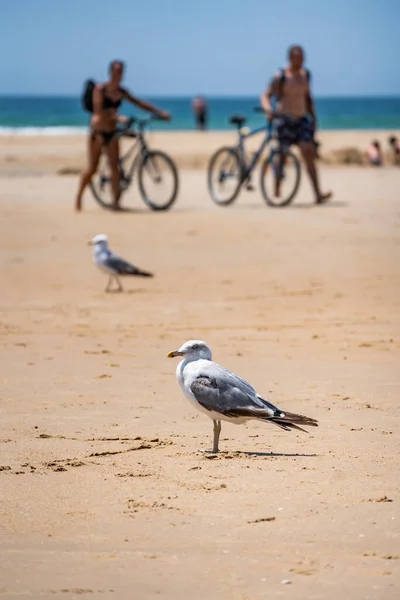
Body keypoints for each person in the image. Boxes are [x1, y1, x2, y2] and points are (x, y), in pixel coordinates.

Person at [75, 60, 170, 211]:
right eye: (116, 71)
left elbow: (139, 103)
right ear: (110, 72)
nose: (119, 74)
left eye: (121, 72)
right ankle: (79, 198)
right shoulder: (100, 89)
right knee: (92, 168)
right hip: (98, 132)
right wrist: (119, 118)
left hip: (112, 132)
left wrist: (159, 112)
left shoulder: (121, 92)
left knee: (115, 167)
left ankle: (116, 203)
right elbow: (99, 111)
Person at [260, 45, 331, 204]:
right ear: (290, 58)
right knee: (282, 156)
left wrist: (313, 117)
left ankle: (317, 194)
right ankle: (277, 191)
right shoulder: (281, 76)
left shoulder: (306, 75)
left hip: (301, 120)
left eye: (302, 57)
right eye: (298, 57)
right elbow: (265, 96)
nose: (301, 60)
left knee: (308, 152)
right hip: (284, 120)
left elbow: (308, 98)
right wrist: (268, 110)